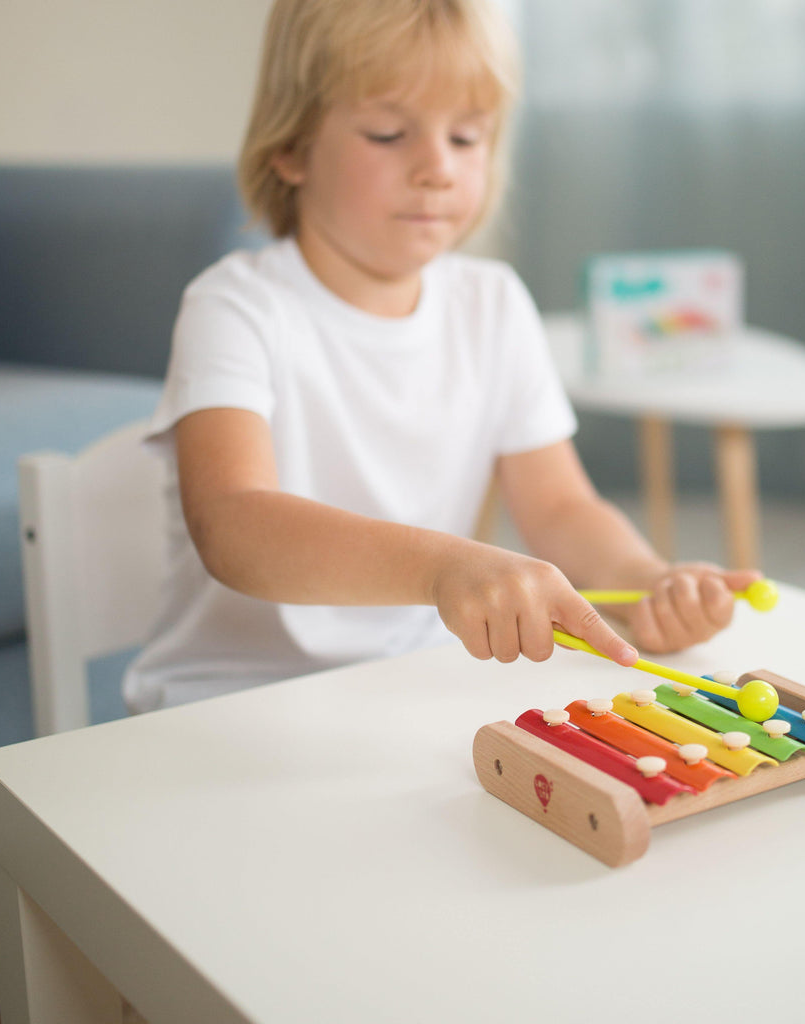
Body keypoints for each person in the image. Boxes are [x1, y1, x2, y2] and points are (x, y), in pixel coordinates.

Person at [124, 0, 761, 713]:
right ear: (292, 147)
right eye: (389, 133)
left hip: (406, 689)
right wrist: (442, 567)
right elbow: (232, 525)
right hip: (224, 702)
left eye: (466, 137)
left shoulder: (492, 303)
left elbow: (559, 506)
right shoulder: (235, 306)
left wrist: (646, 579)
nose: (436, 167)